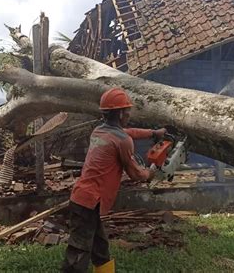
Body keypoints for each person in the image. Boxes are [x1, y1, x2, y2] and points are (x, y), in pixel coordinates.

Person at [61, 87, 166, 273]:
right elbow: (136, 174)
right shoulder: (122, 141)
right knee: (78, 252)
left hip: (84, 198)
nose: (129, 114)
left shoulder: (99, 131)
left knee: (100, 248)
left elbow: (128, 132)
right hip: (89, 202)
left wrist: (153, 133)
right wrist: (152, 172)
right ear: (119, 114)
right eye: (127, 111)